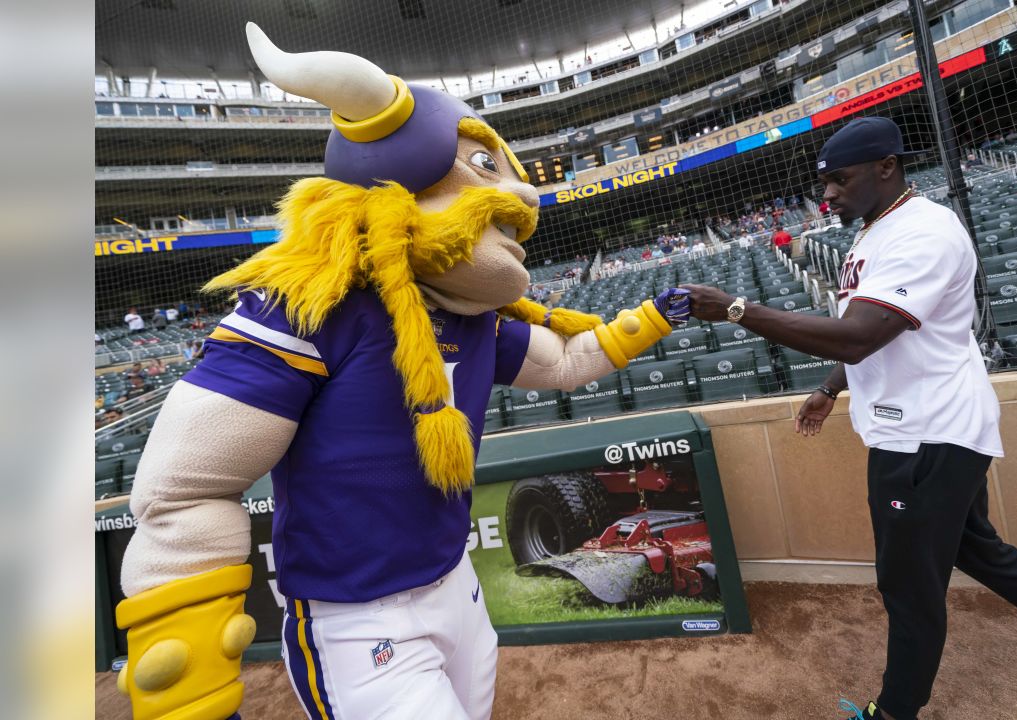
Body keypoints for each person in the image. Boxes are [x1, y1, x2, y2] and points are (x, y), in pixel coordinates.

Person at [113, 28, 691, 720]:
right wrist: (190, 685)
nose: (521, 203)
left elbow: (566, 360)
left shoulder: (478, 318)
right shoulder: (312, 306)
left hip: (455, 585)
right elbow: (186, 487)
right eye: (482, 166)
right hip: (353, 613)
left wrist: (653, 318)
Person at [679, 116, 1017, 720]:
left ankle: (895, 712)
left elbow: (860, 334)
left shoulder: (924, 232)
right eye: (825, 182)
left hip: (922, 438)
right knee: (990, 560)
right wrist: (831, 388)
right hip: (928, 432)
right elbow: (888, 334)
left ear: (887, 166)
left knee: (910, 592)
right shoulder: (878, 231)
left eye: (840, 179)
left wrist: (736, 308)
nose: (828, 193)